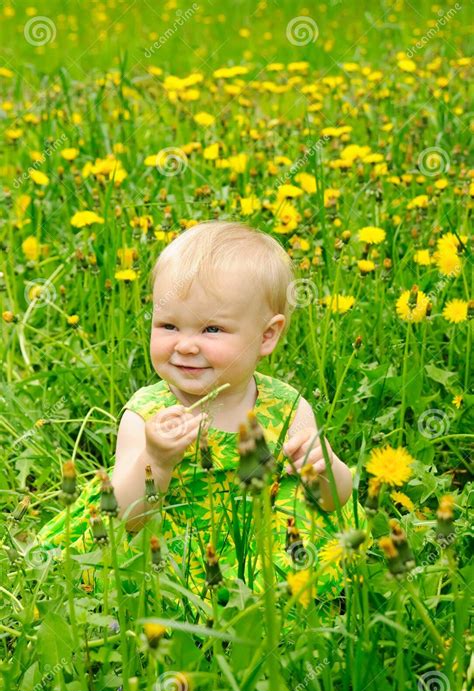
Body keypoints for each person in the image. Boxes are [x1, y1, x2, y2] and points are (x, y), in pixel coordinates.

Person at [38, 221, 367, 603]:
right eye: (169, 325)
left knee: (311, 545)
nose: (186, 345)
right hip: (177, 541)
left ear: (266, 336)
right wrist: (156, 462)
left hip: (263, 534)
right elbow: (129, 517)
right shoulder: (146, 414)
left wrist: (327, 469)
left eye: (211, 329)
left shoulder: (288, 407)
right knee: (139, 571)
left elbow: (332, 503)